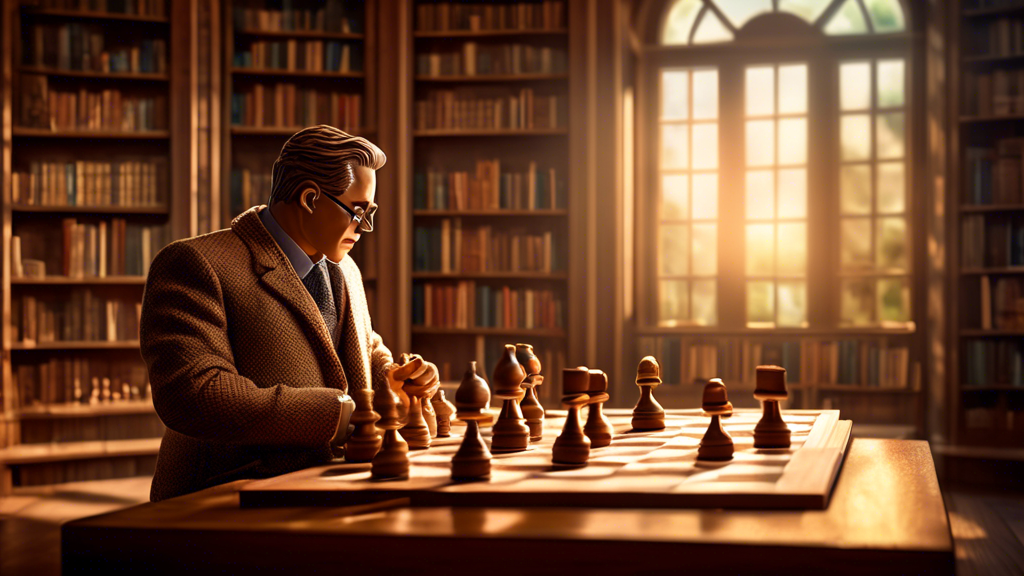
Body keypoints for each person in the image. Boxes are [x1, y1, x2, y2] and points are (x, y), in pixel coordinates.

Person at [140, 125, 437, 501]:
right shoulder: (196, 263)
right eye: (358, 210)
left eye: (371, 211)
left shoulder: (345, 268)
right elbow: (196, 395)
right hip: (225, 503)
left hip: (333, 490)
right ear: (310, 198)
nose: (367, 227)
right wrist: (338, 416)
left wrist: (391, 376)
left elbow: (361, 346)